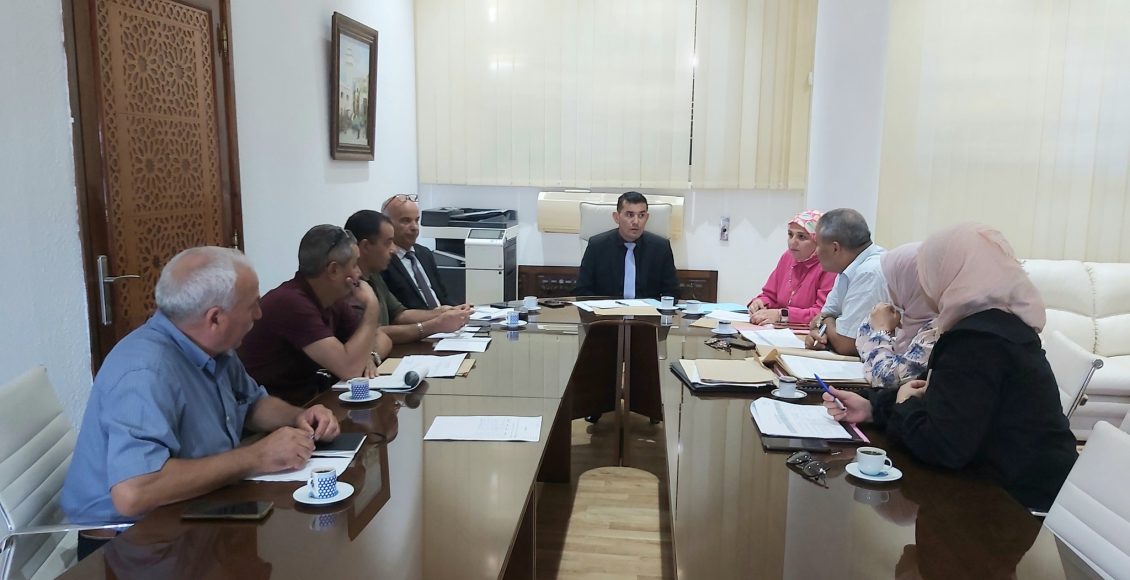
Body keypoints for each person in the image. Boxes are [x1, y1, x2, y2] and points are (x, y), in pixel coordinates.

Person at [61, 247, 341, 553]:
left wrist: (297, 417)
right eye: (252, 305)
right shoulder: (146, 372)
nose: (259, 315)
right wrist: (256, 457)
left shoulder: (213, 347)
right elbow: (135, 492)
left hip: (196, 507)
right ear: (215, 318)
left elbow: (252, 403)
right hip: (131, 542)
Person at [823, 223, 1077, 511]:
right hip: (1014, 485)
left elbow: (942, 446)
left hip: (1017, 506)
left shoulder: (977, 342)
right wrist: (872, 408)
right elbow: (938, 399)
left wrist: (904, 406)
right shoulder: (991, 325)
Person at [239, 225, 392, 405]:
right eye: (354, 265)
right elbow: (349, 368)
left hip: (309, 402)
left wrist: (370, 356)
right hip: (269, 411)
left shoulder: (332, 299)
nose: (359, 273)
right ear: (333, 270)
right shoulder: (290, 303)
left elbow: (381, 338)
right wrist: (372, 307)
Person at [345, 209, 472, 342]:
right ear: (365, 246)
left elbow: (399, 314)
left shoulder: (374, 276)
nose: (393, 250)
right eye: (388, 243)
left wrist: (444, 313)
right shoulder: (349, 287)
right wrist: (434, 326)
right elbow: (374, 335)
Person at [805, 208, 888, 356]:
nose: (816, 251)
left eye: (817, 244)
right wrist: (819, 331)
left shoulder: (869, 271)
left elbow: (847, 344)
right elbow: (820, 318)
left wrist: (826, 322)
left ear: (835, 248)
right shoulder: (849, 266)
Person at [856, 242, 940, 389]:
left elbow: (886, 379)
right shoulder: (907, 313)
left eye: (894, 282)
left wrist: (881, 332)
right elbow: (862, 340)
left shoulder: (936, 329)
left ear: (911, 284)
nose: (888, 288)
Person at [574, 191, 678, 299]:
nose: (636, 221)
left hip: (647, 309)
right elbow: (582, 290)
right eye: (630, 215)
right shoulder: (597, 246)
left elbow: (672, 292)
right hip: (607, 308)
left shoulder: (660, 248)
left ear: (647, 218)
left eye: (641, 215)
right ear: (616, 217)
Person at [747, 210, 837, 326]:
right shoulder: (787, 257)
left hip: (808, 333)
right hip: (778, 330)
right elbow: (770, 295)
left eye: (801, 237)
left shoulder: (829, 266)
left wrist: (782, 315)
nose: (792, 242)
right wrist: (760, 303)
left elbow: (823, 313)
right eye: (790, 234)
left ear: (818, 241)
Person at [380, 194, 455, 310]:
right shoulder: (383, 260)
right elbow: (395, 313)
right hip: (418, 320)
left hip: (445, 318)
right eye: (406, 221)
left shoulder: (424, 253)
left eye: (416, 220)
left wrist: (458, 310)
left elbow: (443, 297)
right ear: (387, 224)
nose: (414, 227)